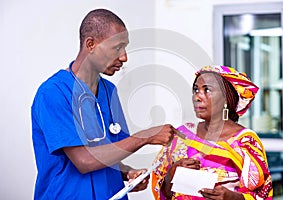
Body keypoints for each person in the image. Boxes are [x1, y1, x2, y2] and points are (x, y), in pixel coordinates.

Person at [31, 8, 176, 200]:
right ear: (90, 44)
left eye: (125, 48)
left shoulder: (109, 91)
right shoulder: (54, 93)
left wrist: (126, 173)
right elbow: (84, 161)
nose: (124, 57)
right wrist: (145, 137)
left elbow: (109, 154)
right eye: (117, 48)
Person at [151, 65, 273, 200]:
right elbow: (163, 194)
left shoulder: (245, 141)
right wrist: (170, 175)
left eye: (207, 90)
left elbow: (263, 195)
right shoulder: (181, 135)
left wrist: (231, 197)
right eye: (196, 90)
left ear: (226, 98)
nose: (197, 96)